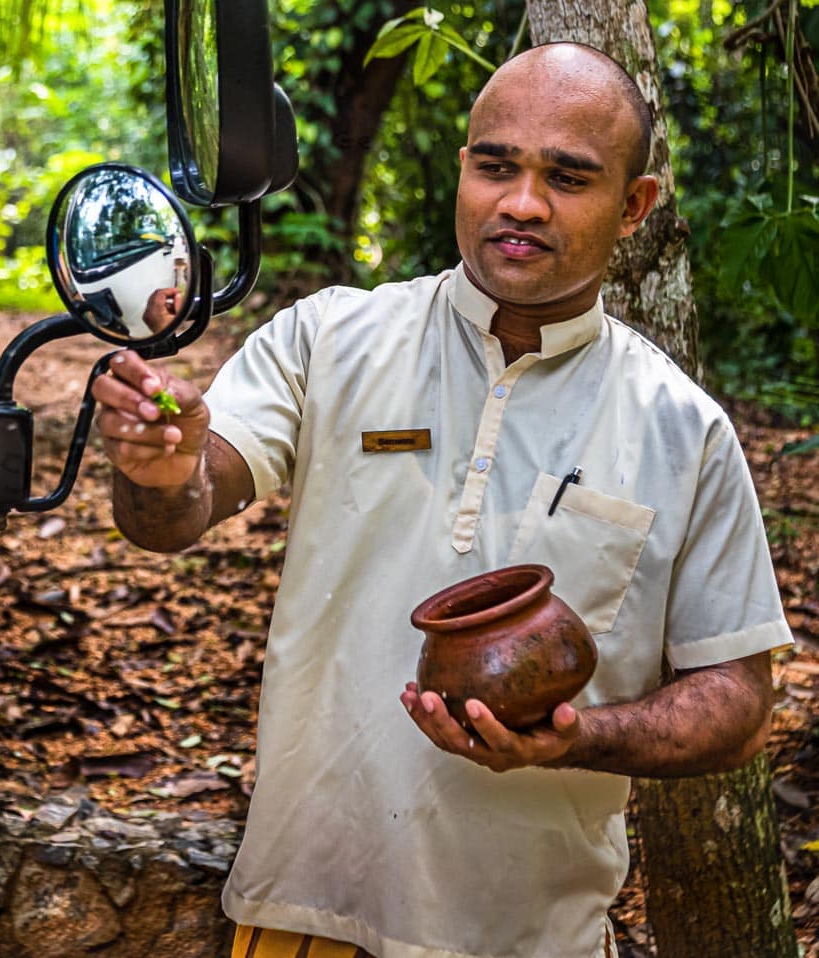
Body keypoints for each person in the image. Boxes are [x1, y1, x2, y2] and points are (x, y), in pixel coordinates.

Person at [91, 42, 792, 958]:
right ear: (463, 169)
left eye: (567, 177)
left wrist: (574, 739)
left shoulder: (680, 428)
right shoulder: (331, 338)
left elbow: (738, 700)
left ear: (634, 207)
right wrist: (157, 469)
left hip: (531, 935)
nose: (522, 203)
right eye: (496, 164)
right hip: (305, 912)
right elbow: (180, 509)